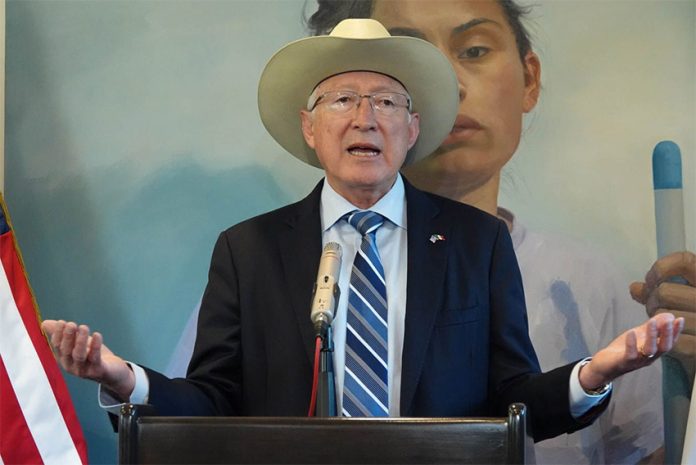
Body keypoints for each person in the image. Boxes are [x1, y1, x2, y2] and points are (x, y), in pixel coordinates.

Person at [42, 18, 682, 446]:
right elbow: (215, 401)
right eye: (342, 100)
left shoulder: (473, 243)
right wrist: (122, 378)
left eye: (386, 102)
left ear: (412, 129)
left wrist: (596, 372)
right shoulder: (250, 249)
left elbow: (513, 402)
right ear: (309, 128)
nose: (364, 118)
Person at [305, 1, 696, 464]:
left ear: (529, 78)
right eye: (406, 58)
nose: (449, 84)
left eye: (473, 49)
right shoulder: (268, 261)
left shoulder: (587, 283)